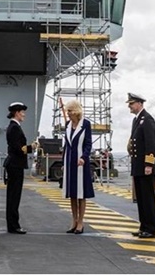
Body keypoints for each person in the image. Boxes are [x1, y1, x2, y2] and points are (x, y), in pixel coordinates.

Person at [126, 93, 155, 239]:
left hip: (145, 166)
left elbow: (151, 144)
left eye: (131, 104)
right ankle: (143, 226)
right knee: (141, 198)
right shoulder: (137, 120)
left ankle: (150, 229)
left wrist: (149, 164)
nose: (129, 106)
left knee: (147, 198)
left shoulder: (147, 120)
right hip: (137, 165)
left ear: (139, 103)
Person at [5, 102, 38, 235]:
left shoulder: (14, 127)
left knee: (14, 195)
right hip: (15, 165)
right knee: (14, 196)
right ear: (17, 113)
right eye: (22, 112)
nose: (24, 114)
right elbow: (18, 148)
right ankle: (13, 225)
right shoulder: (14, 128)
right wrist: (32, 147)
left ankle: (13, 224)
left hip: (14, 164)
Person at [61, 100, 93, 234]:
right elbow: (66, 145)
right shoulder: (68, 125)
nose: (68, 114)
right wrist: (63, 162)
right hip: (69, 162)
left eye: (70, 111)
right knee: (72, 193)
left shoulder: (85, 124)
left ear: (76, 111)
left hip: (80, 163)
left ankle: (81, 221)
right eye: (67, 111)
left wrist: (83, 157)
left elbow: (88, 144)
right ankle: (74, 220)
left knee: (81, 194)